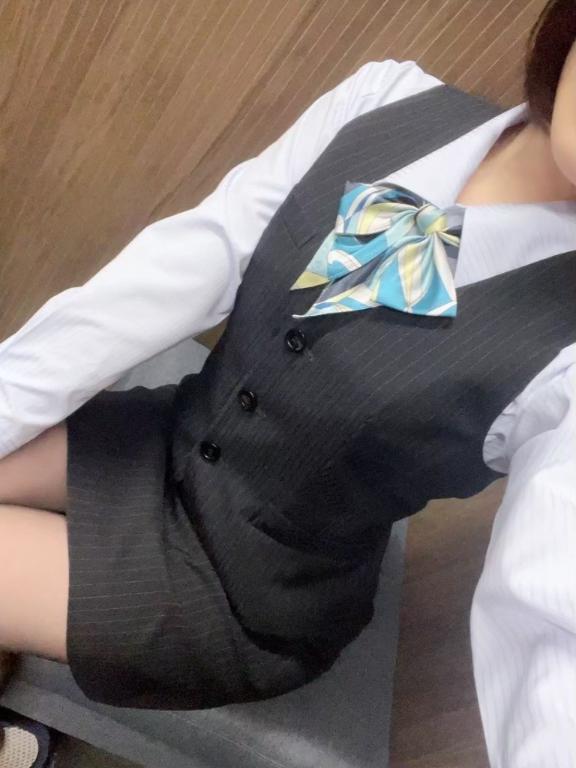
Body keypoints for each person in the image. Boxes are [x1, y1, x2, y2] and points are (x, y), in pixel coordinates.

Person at [0, 0, 574, 762]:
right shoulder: (388, 100)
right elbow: (193, 259)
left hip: (243, 592)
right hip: (171, 442)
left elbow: (555, 618)